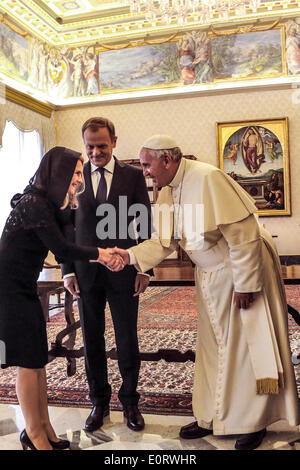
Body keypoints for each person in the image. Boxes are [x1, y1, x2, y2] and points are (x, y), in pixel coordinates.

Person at [112, 134, 299, 450]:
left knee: (244, 349)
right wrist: (128, 257)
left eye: (147, 165)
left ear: (167, 160)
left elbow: (244, 235)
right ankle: (212, 416)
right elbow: (164, 242)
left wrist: (246, 284)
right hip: (210, 275)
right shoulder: (169, 191)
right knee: (214, 347)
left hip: (239, 270)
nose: (144, 171)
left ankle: (252, 422)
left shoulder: (208, 177)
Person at [0, 146, 122, 451]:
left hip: (22, 287)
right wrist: (101, 254)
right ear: (56, 174)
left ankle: (44, 429)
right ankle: (34, 433)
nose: (79, 179)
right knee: (28, 363)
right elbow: (64, 250)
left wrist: (70, 204)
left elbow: (68, 232)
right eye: (75, 173)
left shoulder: (47, 203)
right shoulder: (33, 204)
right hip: (7, 290)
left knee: (38, 359)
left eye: (80, 173)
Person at [62, 117, 153, 433]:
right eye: (90, 146)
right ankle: (98, 401)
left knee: (128, 337)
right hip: (85, 273)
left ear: (114, 141)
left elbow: (145, 222)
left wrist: (145, 268)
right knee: (91, 338)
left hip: (123, 269)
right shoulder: (76, 176)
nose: (95, 152)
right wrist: (67, 270)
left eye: (102, 145)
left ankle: (130, 401)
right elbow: (66, 225)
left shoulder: (132, 176)